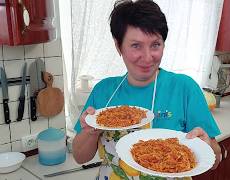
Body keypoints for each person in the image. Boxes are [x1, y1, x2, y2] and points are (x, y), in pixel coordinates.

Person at [72, 0, 222, 179]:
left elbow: (215, 160)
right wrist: (90, 130)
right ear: (118, 46)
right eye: (136, 45)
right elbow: (80, 157)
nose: (147, 57)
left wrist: (208, 146)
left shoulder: (184, 88)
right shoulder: (103, 91)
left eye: (155, 45)